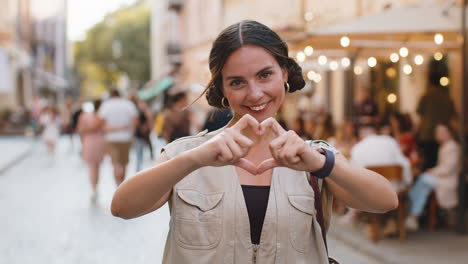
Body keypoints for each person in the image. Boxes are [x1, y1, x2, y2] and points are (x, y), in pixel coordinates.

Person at [111, 20, 397, 263]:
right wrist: (195, 159)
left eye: (265, 75)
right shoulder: (186, 153)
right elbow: (123, 207)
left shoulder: (313, 158)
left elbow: (385, 201)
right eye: (237, 82)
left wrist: (322, 164)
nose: (255, 93)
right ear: (222, 88)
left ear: (284, 74)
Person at [405, 123, 461, 231]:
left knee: (423, 179)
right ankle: (413, 216)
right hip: (442, 178)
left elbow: (448, 169)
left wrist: (432, 171)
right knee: (424, 187)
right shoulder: (445, 146)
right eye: (438, 131)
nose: (438, 134)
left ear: (449, 133)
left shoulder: (452, 147)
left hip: (448, 180)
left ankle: (410, 203)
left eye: (442, 132)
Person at [98, 89, 138, 186]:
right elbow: (136, 122)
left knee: (115, 164)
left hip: (111, 139)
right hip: (126, 138)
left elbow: (100, 123)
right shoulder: (128, 104)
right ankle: (122, 184)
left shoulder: (106, 106)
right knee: (124, 163)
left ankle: (117, 185)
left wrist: (113, 128)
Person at [416, 81, 456, 170]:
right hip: (444, 135)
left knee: (428, 163)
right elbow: (452, 119)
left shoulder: (426, 97)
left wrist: (417, 132)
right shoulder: (447, 98)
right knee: (441, 162)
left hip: (427, 135)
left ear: (430, 84)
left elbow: (421, 118)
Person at [77, 99, 106, 202]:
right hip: (99, 142)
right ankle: (95, 186)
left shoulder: (84, 116)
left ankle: (94, 187)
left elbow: (80, 130)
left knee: (92, 166)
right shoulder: (101, 117)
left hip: (89, 142)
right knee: (96, 166)